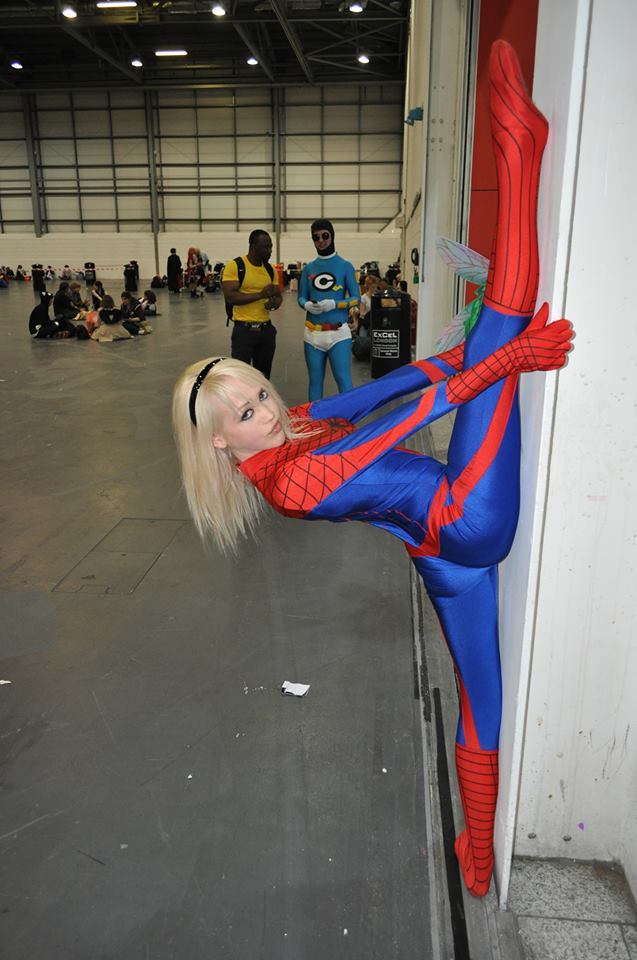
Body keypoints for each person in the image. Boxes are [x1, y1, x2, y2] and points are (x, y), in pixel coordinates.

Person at [173, 42, 569, 898]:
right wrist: (500, 362)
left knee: (480, 697)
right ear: (218, 444)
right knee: (503, 334)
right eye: (244, 414)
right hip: (462, 518)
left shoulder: (287, 433)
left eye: (258, 394)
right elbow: (406, 423)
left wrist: (454, 358)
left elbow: (383, 390)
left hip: (442, 557)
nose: (267, 410)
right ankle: (521, 156)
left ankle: (473, 849)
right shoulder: (286, 481)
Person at [298, 219, 360, 401]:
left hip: (338, 334)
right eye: (316, 237)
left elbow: (356, 298)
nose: (321, 241)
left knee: (344, 382)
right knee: (315, 383)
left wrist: (335, 304)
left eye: (325, 236)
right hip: (312, 334)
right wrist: (307, 305)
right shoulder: (309, 268)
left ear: (332, 236)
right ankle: (315, 425)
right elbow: (301, 297)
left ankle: (351, 423)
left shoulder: (345, 266)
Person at [221, 230, 282, 379]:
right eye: (265, 247)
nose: (269, 251)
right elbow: (231, 297)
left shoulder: (270, 270)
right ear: (253, 246)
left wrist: (274, 303)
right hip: (244, 331)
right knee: (242, 377)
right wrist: (260, 295)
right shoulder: (235, 266)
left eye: (270, 247)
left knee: (263, 376)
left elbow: (278, 296)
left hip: (266, 331)